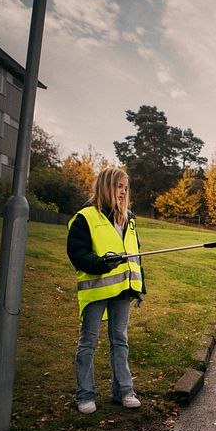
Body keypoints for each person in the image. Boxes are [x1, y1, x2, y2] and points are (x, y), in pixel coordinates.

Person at [67, 167, 146, 414]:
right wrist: (100, 264)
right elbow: (77, 254)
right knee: (88, 342)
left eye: (125, 187)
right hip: (96, 289)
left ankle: (123, 391)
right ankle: (85, 395)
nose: (122, 192)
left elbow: (136, 254)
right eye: (118, 186)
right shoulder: (85, 217)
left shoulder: (128, 219)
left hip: (122, 289)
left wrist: (140, 286)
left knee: (120, 340)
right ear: (105, 186)